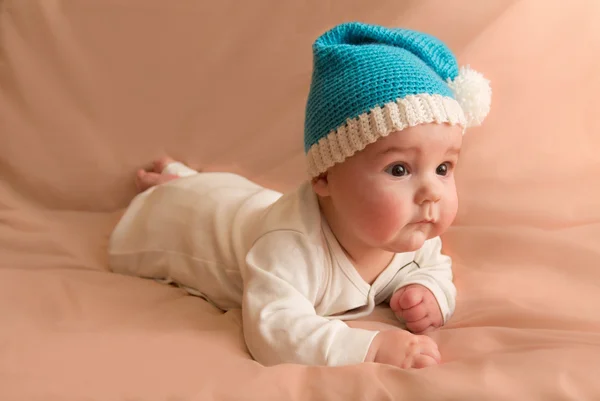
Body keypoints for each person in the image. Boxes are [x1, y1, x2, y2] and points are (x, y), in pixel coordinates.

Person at [108, 21, 491, 369]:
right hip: (202, 223)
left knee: (244, 194)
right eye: (399, 170)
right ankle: (171, 186)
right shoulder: (289, 247)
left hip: (254, 202)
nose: (431, 193)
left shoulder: (414, 230)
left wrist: (429, 291)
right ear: (324, 177)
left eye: (443, 169)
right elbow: (273, 329)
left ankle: (181, 175)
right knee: (196, 202)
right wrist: (370, 347)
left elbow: (436, 266)